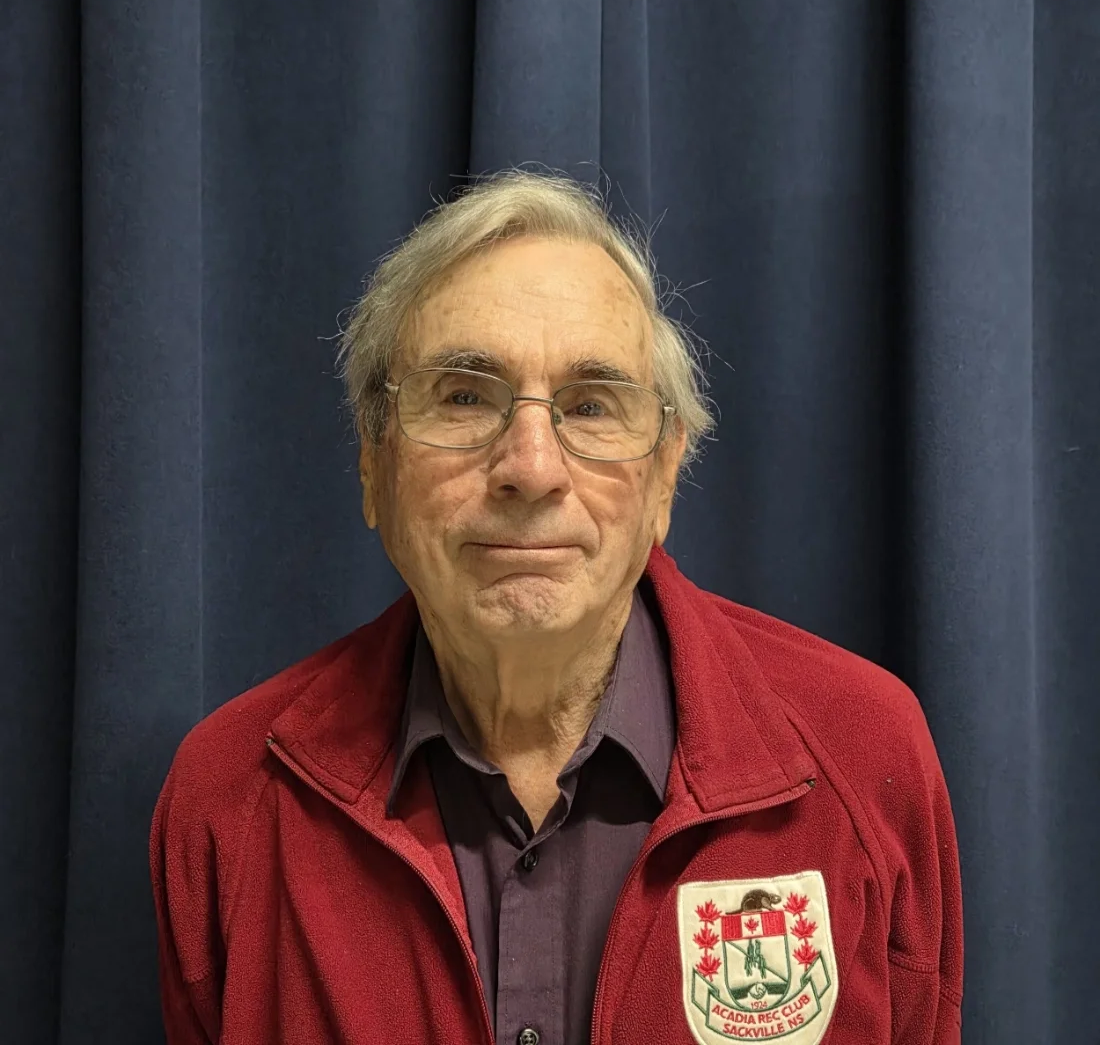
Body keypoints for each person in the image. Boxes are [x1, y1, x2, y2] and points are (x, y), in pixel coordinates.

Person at [151, 171, 963, 1045]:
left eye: (590, 405)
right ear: (372, 466)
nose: (530, 467)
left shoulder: (863, 753)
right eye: (464, 397)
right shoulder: (229, 800)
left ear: (663, 478)